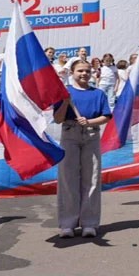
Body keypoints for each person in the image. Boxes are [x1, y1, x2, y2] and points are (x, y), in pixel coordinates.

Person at [52, 60, 112, 238]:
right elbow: (58, 118)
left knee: (92, 179)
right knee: (68, 178)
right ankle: (67, 224)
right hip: (70, 134)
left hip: (91, 135)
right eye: (80, 71)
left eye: (87, 71)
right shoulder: (65, 92)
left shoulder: (98, 93)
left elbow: (106, 116)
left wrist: (90, 122)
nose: (84, 74)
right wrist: (64, 102)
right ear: (72, 72)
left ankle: (89, 223)